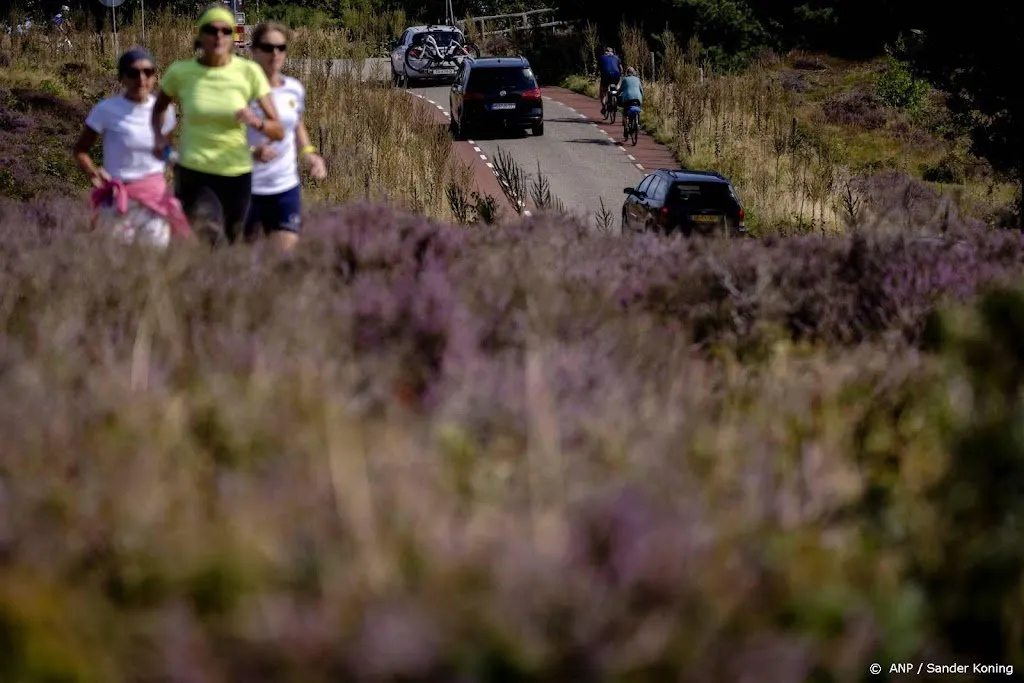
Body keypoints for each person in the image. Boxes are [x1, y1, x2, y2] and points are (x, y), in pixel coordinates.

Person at [151, 4, 284, 246]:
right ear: (200, 34)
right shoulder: (180, 72)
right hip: (195, 172)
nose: (219, 36)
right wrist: (161, 138)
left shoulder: (248, 72)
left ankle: (217, 283)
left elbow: (278, 128)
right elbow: (158, 109)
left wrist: (255, 122)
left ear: (233, 36)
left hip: (237, 172)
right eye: (212, 30)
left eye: (226, 30)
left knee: (236, 244)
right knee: (210, 236)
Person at [73, 47, 192, 247]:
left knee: (153, 263)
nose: (141, 78)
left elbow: (166, 149)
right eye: (133, 72)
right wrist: (93, 172)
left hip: (155, 198)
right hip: (117, 199)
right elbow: (80, 149)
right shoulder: (105, 110)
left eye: (148, 72)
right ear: (122, 77)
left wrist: (177, 163)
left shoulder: (166, 111)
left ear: (155, 76)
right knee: (117, 264)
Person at [244, 21, 327, 253]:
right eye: (268, 47)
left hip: (285, 188)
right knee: (246, 267)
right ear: (254, 50)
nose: (275, 54)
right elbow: (224, 138)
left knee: (284, 263)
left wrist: (309, 155)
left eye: (281, 48)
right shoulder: (240, 92)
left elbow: (297, 126)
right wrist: (253, 151)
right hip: (247, 190)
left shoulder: (294, 88)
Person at [618, 65, 644, 136]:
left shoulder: (625, 79)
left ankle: (626, 127)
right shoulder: (638, 79)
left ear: (627, 73)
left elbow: (621, 89)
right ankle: (638, 123)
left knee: (625, 112)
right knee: (637, 109)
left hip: (628, 98)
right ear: (634, 72)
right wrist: (642, 98)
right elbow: (641, 90)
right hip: (638, 98)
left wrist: (617, 94)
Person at [597, 46, 621, 116]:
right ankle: (616, 97)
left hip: (605, 76)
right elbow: (620, 69)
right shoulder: (616, 57)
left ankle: (604, 107)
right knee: (616, 86)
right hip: (616, 76)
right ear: (612, 52)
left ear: (605, 52)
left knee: (602, 92)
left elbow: (598, 69)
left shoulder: (602, 57)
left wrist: (596, 75)